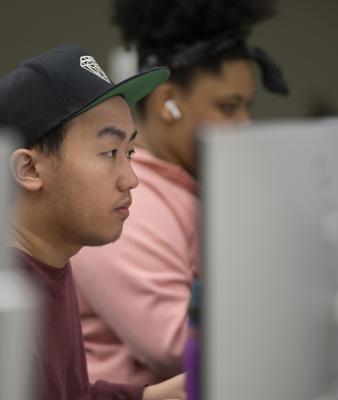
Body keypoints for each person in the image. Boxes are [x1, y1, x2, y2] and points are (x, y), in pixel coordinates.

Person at [71, 0, 289, 386]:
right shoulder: (129, 202)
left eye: (246, 107)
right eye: (228, 107)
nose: (245, 124)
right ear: (167, 102)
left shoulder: (187, 185)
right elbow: (171, 345)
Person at [0, 44, 186, 400]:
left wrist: (157, 396)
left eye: (129, 152)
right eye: (109, 153)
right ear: (29, 169)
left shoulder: (51, 261)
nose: (131, 179)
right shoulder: (9, 304)